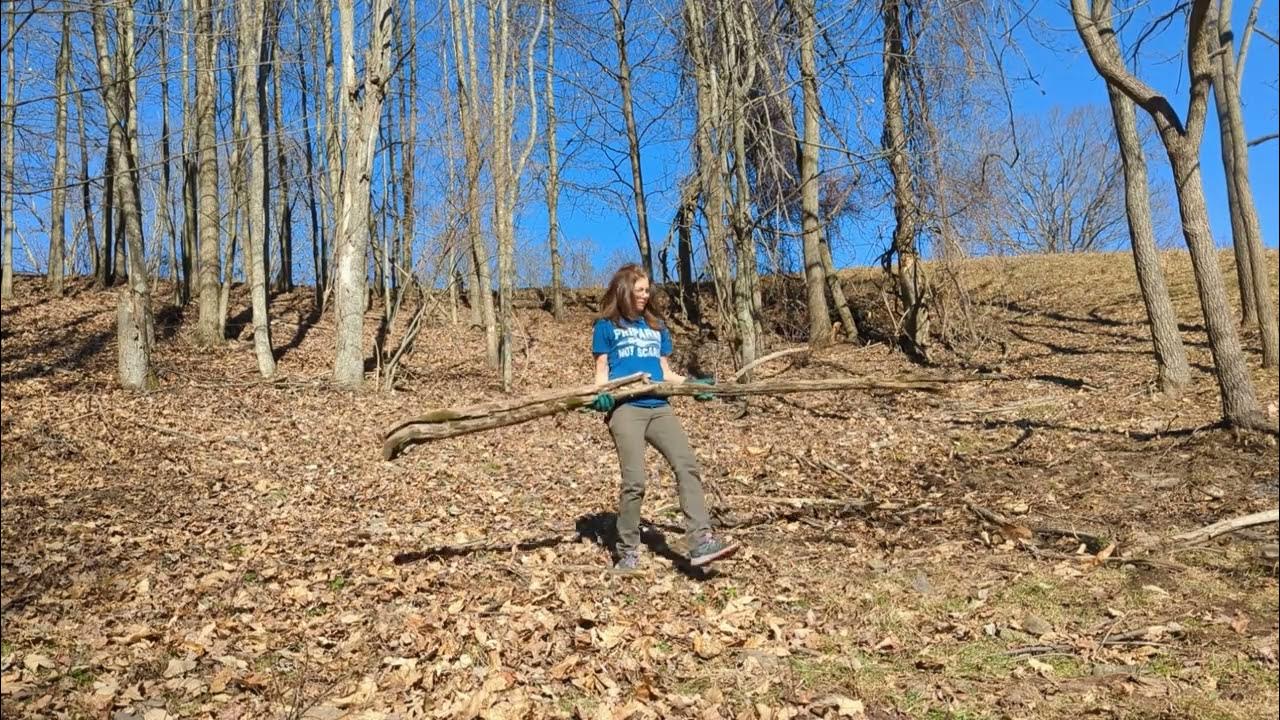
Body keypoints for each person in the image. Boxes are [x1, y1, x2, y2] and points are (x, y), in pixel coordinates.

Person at [588, 263, 740, 573]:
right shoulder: (606, 326)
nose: (645, 295)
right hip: (626, 408)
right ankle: (627, 552)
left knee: (687, 466)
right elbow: (601, 373)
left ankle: (701, 542)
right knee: (635, 482)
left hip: (659, 407)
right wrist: (601, 396)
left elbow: (665, 372)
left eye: (647, 290)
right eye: (639, 290)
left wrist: (692, 386)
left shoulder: (656, 327)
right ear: (624, 291)